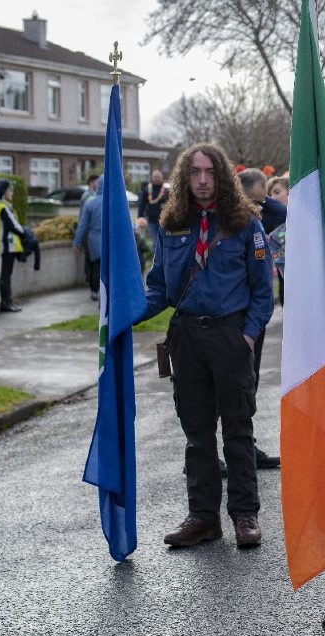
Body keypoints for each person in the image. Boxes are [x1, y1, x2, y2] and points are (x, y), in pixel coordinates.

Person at [139, 142, 274, 551]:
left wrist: (246, 336)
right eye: (194, 173)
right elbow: (159, 288)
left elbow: (263, 293)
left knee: (237, 429)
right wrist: (121, 316)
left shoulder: (245, 223)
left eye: (209, 173)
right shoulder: (172, 223)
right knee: (197, 434)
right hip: (186, 338)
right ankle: (202, 518)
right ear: (184, 177)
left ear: (222, 177)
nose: (201, 180)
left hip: (230, 335)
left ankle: (244, 515)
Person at [236, 167, 286, 470]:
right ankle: (218, 453)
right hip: (233, 316)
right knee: (230, 388)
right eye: (253, 200)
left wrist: (262, 200)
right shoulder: (233, 221)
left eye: (261, 200)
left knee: (248, 384)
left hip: (255, 314)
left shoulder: (261, 216)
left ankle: (246, 447)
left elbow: (282, 212)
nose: (259, 206)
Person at [0, 178, 28, 312]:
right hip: (7, 245)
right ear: (4, 192)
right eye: (9, 189)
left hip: (8, 245)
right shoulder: (2, 207)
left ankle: (8, 302)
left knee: (7, 274)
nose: (11, 192)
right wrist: (25, 233)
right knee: (6, 275)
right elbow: (12, 225)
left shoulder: (1, 206)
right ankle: (6, 303)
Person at [72, 175, 106, 301]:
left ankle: (94, 291)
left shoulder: (90, 203)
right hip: (110, 242)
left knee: (95, 267)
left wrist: (77, 243)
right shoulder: (113, 204)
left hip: (94, 240)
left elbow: (82, 225)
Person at [266, 176, 290, 306]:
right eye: (270, 195)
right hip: (288, 292)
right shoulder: (272, 229)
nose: (274, 199)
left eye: (277, 192)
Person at [137, 170, 168, 240]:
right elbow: (142, 204)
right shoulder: (147, 189)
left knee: (164, 240)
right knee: (155, 242)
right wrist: (140, 216)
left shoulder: (166, 190)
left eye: (158, 177)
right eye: (155, 177)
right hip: (152, 221)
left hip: (164, 220)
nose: (157, 179)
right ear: (152, 178)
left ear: (162, 177)